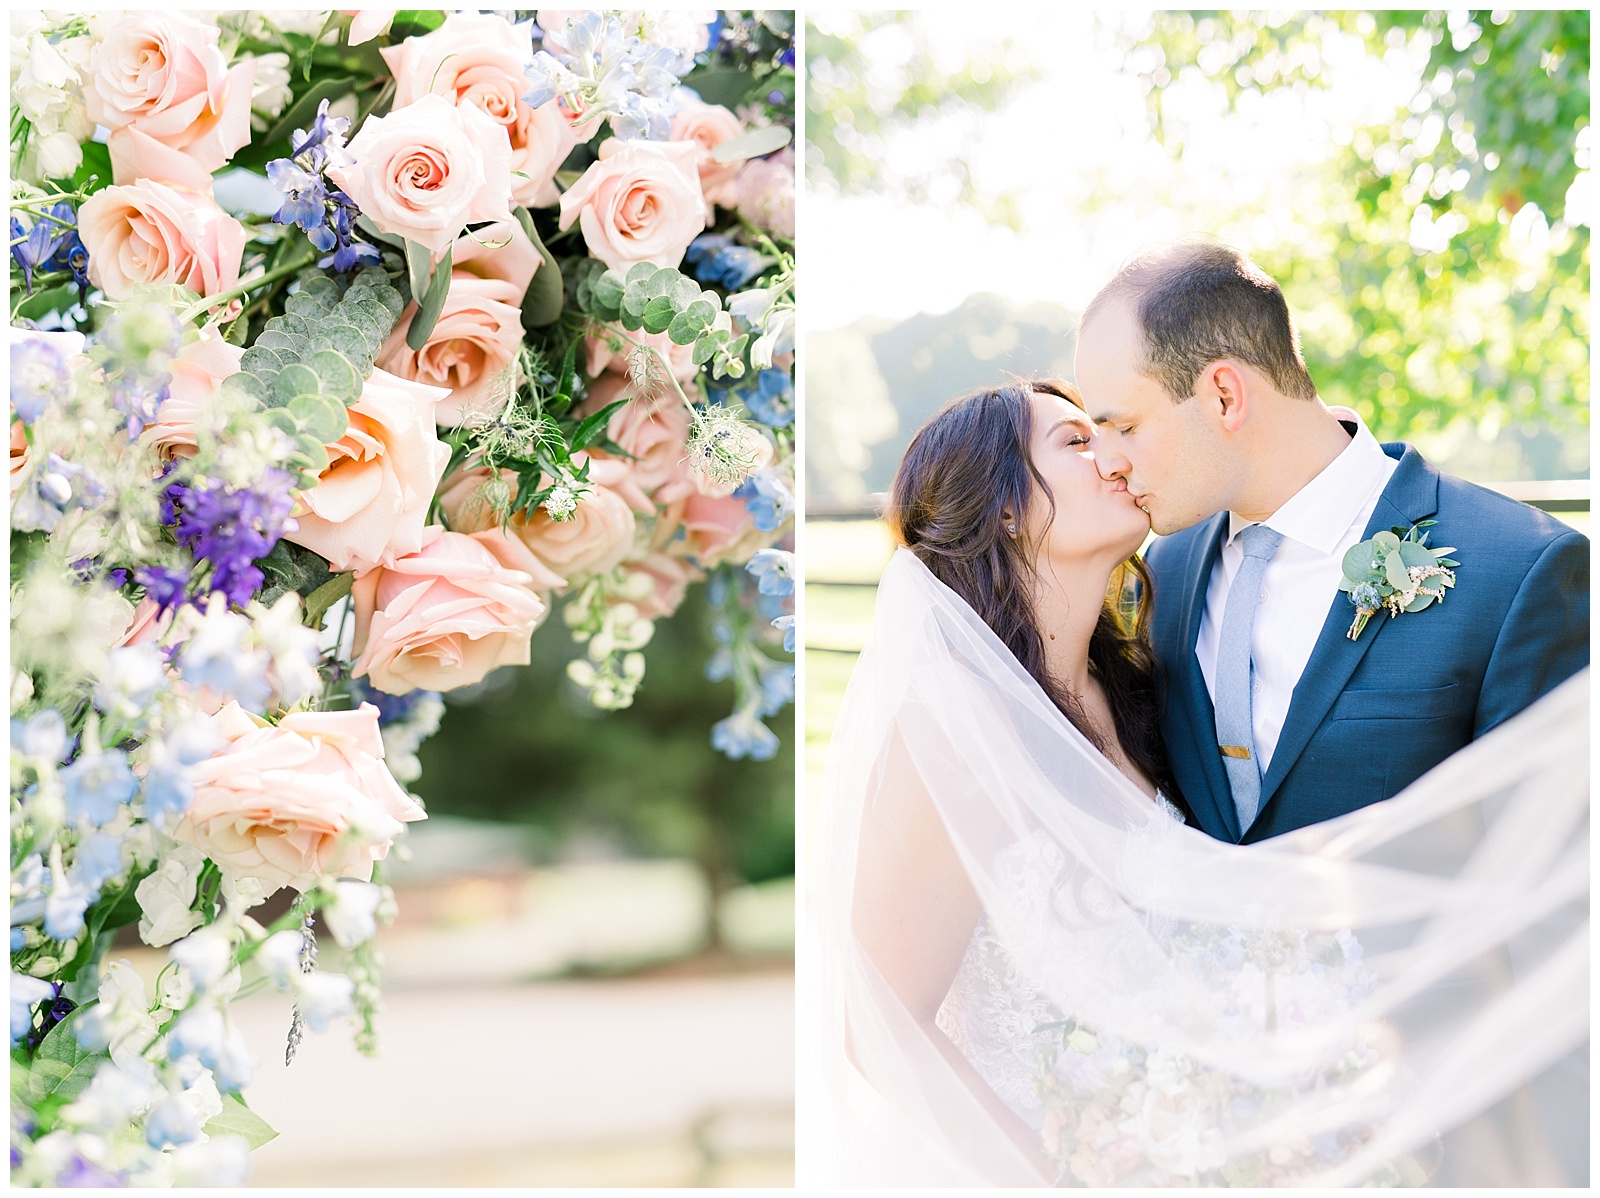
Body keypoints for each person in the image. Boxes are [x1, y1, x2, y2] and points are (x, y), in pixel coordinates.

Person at [814, 375, 1589, 1187]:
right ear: (1004, 507)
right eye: (1076, 442)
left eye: (1110, 433)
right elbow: (882, 1029)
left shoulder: (1138, 686)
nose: (1113, 457)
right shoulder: (949, 728)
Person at [1073, 241, 1590, 843]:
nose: (1106, 461)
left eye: (1126, 427)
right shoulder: (1170, 568)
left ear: (1224, 396)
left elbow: (1555, 875)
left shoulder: (1519, 569)